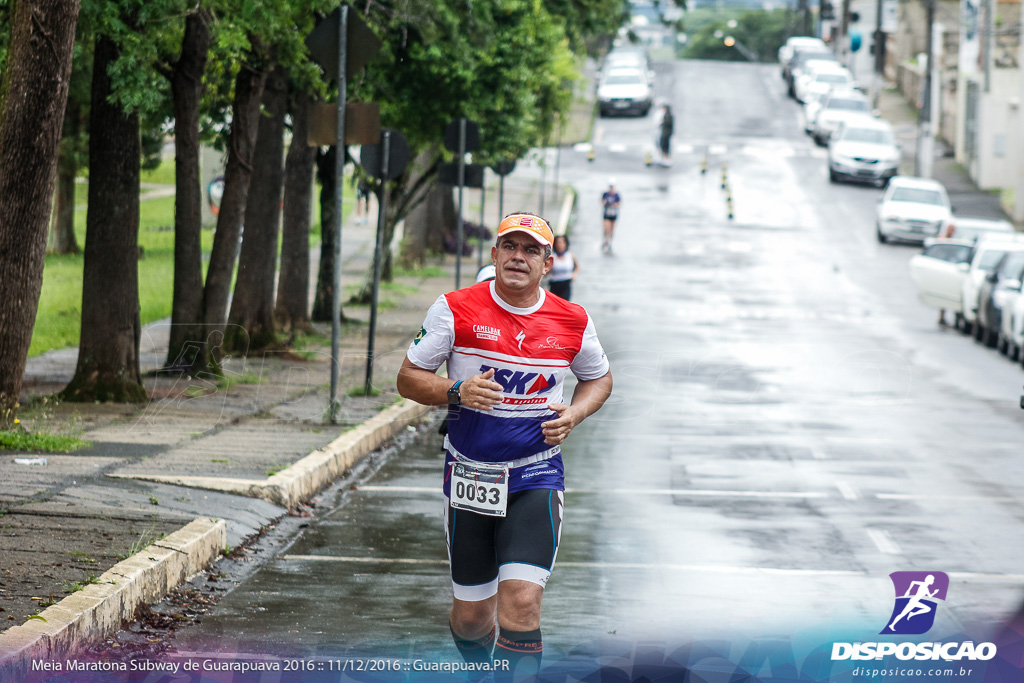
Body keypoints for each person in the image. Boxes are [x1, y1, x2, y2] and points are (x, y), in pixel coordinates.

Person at [397, 212, 613, 682]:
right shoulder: (454, 308)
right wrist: (456, 391)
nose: (519, 257)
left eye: (531, 249)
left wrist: (574, 414)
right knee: (473, 615)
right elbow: (409, 378)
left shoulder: (572, 319)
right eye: (510, 247)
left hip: (536, 472)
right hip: (472, 473)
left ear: (547, 263)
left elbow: (599, 378)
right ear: (494, 255)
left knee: (521, 599)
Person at [547, 235, 578, 301]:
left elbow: (577, 267)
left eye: (562, 243)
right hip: (554, 283)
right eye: (558, 243)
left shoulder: (570, 256)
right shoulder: (552, 257)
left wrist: (574, 274)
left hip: (566, 283)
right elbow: (546, 270)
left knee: (565, 302)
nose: (560, 245)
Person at [600, 180, 621, 253]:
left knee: (612, 229)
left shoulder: (616, 195)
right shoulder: (605, 194)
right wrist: (606, 204)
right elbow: (602, 201)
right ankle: (605, 241)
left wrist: (615, 205)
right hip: (607, 214)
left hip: (613, 214)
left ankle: (610, 242)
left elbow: (620, 203)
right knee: (606, 228)